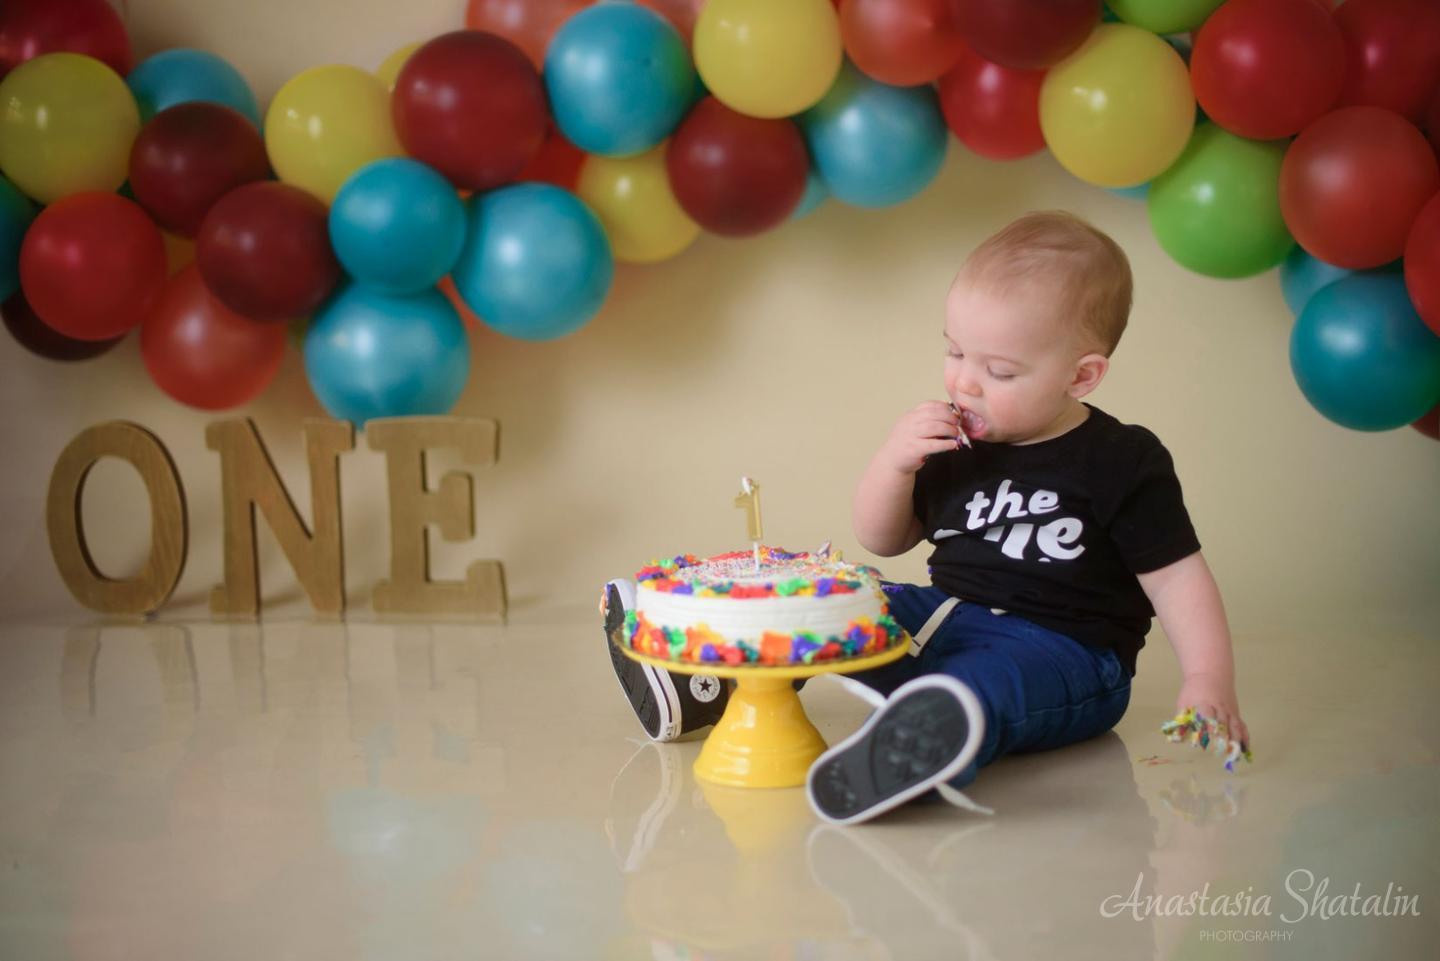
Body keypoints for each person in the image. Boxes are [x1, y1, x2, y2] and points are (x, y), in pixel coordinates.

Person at [604, 210, 1251, 825]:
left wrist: (1207, 677)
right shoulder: (951, 440)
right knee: (834, 591)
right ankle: (703, 683)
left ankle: (922, 747)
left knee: (988, 684)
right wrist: (895, 462)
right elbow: (882, 539)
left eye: (998, 369)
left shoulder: (1121, 459)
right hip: (941, 619)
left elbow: (1175, 578)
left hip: (1063, 652)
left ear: (1081, 376)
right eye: (955, 352)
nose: (964, 382)